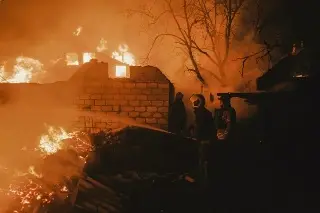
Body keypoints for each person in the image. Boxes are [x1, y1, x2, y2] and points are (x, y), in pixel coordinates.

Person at [189, 94, 216, 185]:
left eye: (195, 102)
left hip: (203, 140)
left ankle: (204, 180)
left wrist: (196, 135)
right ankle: (204, 179)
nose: (194, 103)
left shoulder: (201, 113)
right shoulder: (203, 112)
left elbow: (201, 127)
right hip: (204, 140)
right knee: (203, 159)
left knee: (203, 160)